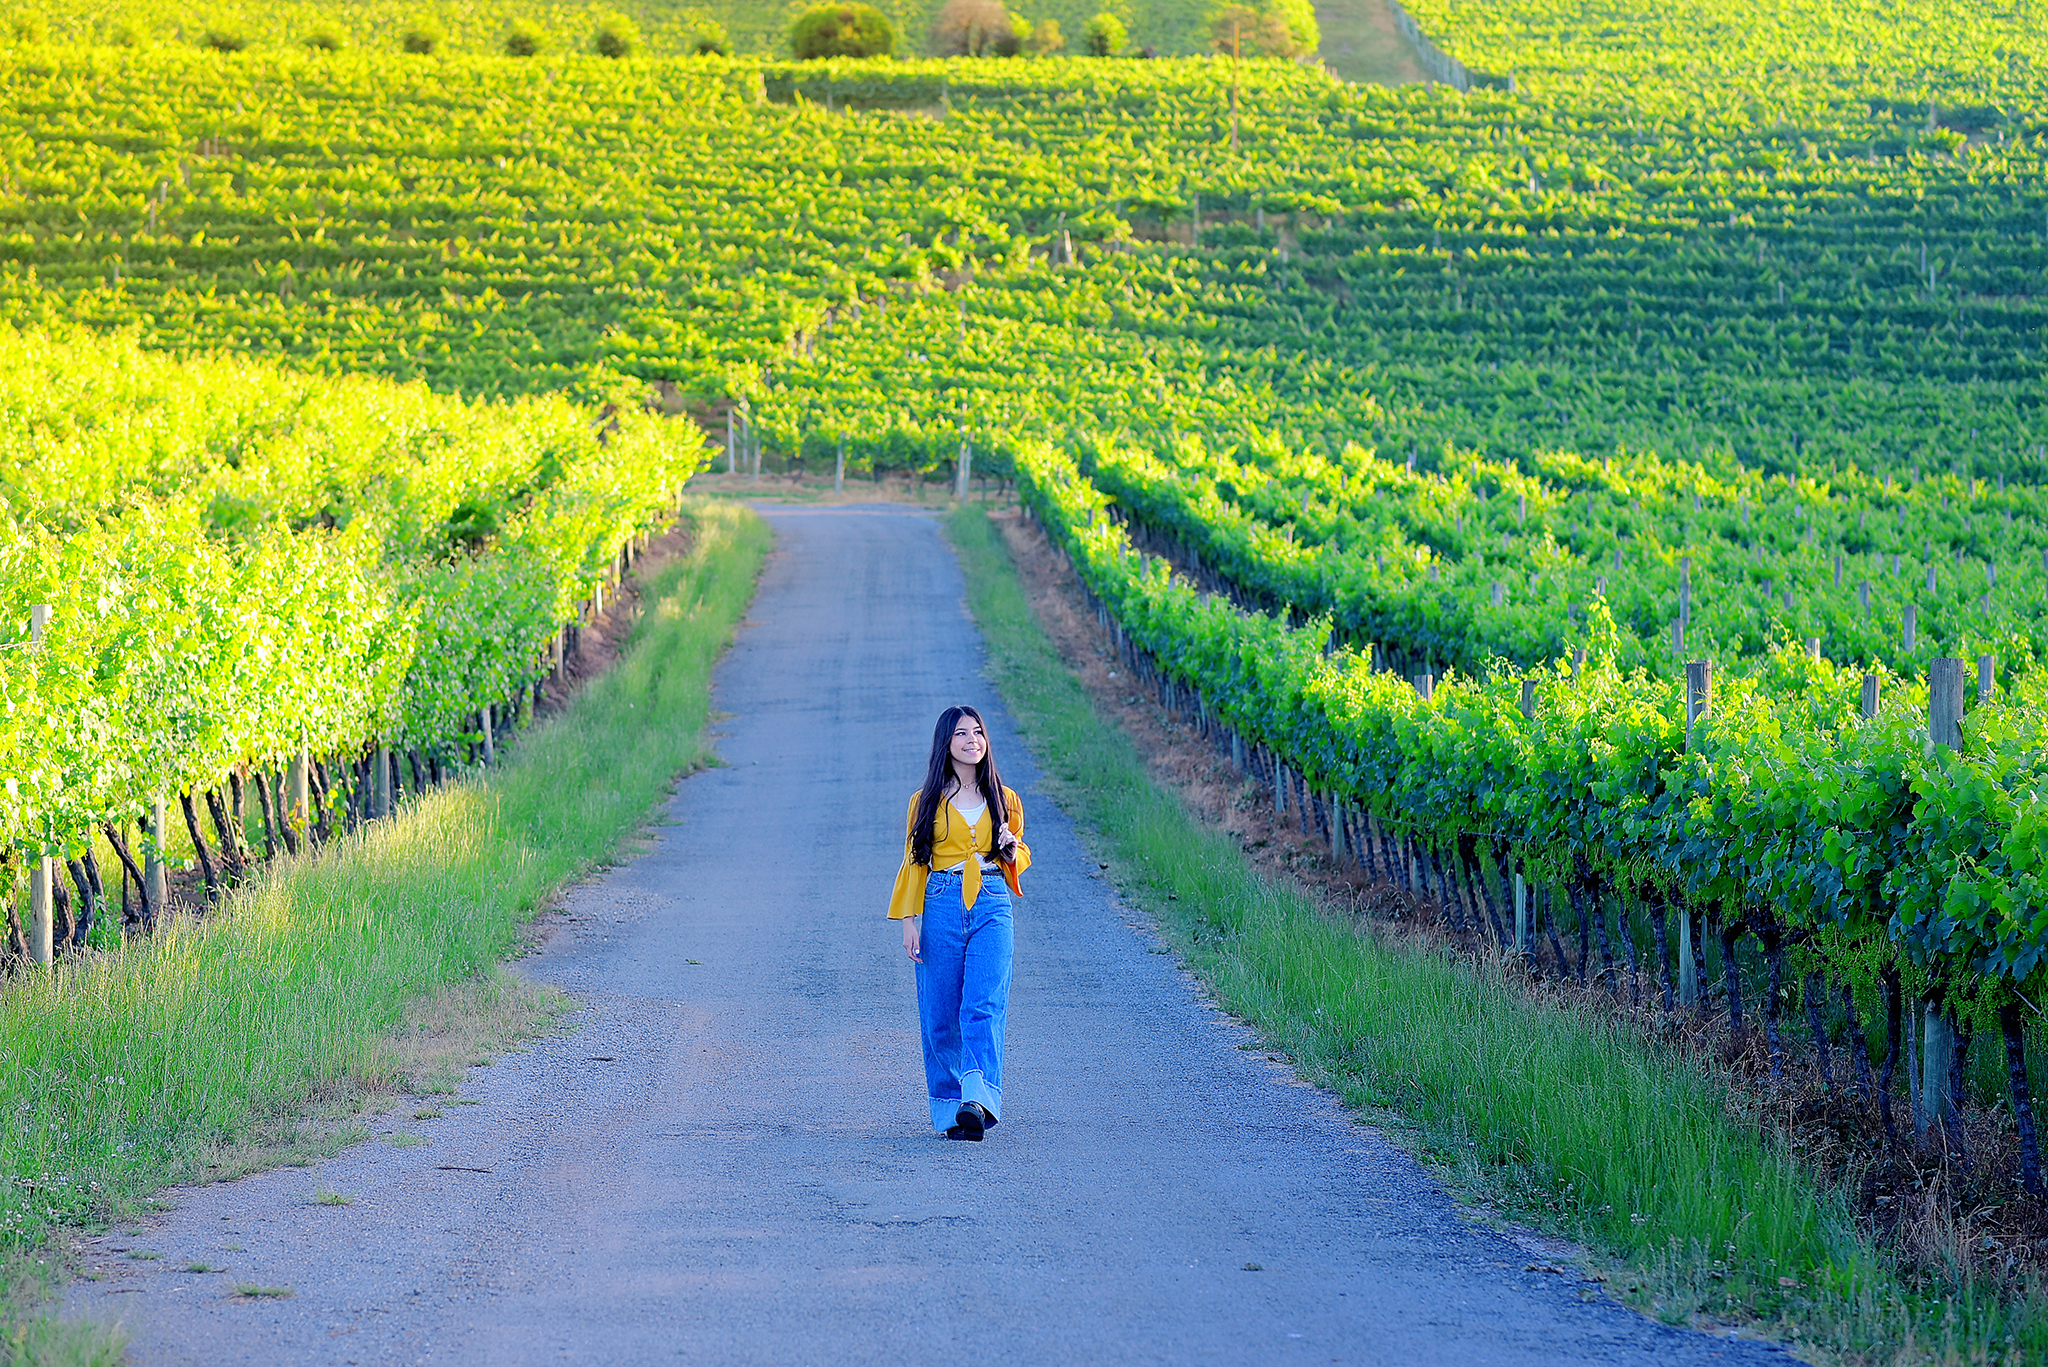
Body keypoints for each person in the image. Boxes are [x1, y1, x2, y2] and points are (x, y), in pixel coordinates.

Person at [887, 705, 1031, 1141]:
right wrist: (909, 921)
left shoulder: (1003, 799)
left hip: (991, 901)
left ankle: (978, 1099)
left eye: (979, 732)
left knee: (983, 1004)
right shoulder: (925, 801)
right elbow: (915, 862)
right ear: (945, 744)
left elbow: (1020, 854)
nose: (973, 740)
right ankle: (951, 1110)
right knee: (940, 1014)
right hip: (941, 901)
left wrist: (1009, 851)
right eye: (962, 734)